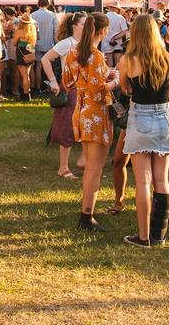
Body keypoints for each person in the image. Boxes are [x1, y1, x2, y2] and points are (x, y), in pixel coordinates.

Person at [119, 14, 169, 247]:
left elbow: (125, 89)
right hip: (164, 116)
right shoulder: (168, 59)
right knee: (162, 179)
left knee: (143, 182)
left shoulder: (128, 60)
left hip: (140, 116)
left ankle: (144, 236)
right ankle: (160, 234)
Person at [67, 12, 113, 231]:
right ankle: (87, 215)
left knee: (90, 167)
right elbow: (98, 89)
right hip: (95, 112)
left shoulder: (73, 51)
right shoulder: (95, 56)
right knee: (95, 168)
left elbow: (67, 81)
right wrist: (114, 82)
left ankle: (87, 212)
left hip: (81, 109)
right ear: (102, 31)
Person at [41, 12, 88, 179]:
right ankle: (63, 167)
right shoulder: (66, 43)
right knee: (67, 125)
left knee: (86, 124)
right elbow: (45, 59)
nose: (87, 27)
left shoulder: (87, 43)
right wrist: (53, 81)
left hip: (85, 89)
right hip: (70, 88)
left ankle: (84, 161)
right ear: (75, 26)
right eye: (84, 24)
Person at [31, 0, 58, 94]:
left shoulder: (33, 15)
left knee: (38, 66)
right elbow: (56, 31)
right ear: (48, 4)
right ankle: (50, 87)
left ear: (38, 4)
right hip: (49, 44)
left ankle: (38, 88)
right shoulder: (52, 15)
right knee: (49, 66)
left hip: (37, 44)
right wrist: (56, 43)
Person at [12, 9, 37, 102]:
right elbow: (32, 45)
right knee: (27, 74)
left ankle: (26, 95)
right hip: (30, 51)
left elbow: (14, 43)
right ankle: (27, 93)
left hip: (21, 52)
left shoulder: (20, 31)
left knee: (24, 76)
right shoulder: (33, 31)